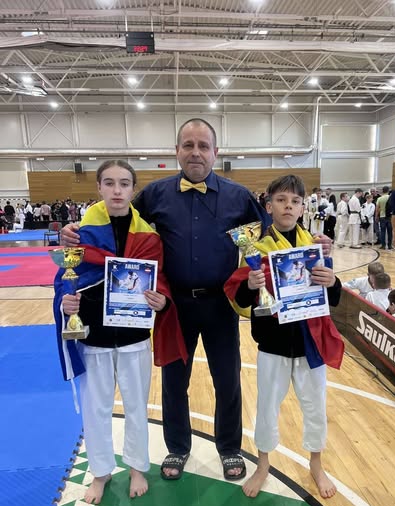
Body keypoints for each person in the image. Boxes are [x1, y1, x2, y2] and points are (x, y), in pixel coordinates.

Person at [60, 119, 333, 482]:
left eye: (203, 146)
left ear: (215, 152)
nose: (196, 152)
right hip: (174, 306)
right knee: (175, 380)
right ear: (177, 151)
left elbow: (275, 231)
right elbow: (120, 219)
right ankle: (177, 447)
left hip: (221, 304)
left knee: (227, 380)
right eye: (188, 145)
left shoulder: (238, 196)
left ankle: (229, 448)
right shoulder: (155, 194)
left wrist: (312, 242)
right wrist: (77, 231)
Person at [54, 159, 187, 504]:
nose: (117, 190)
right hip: (94, 336)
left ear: (133, 189)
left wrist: (162, 301)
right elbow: (66, 280)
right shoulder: (80, 235)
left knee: (136, 407)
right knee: (96, 409)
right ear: (98, 187)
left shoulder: (149, 237)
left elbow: (160, 280)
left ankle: (137, 467)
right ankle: (100, 472)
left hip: (133, 337)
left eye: (124, 184)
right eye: (110, 183)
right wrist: (65, 303)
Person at [224, 175, 344, 499]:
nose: (288, 206)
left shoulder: (315, 247)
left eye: (294, 201)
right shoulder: (256, 248)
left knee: (315, 407)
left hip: (310, 344)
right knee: (266, 408)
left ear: (303, 208)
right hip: (273, 344)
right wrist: (250, 285)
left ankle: (316, 463)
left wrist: (332, 280)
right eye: (281, 200)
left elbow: (333, 297)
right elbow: (239, 295)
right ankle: (263, 464)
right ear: (269, 206)